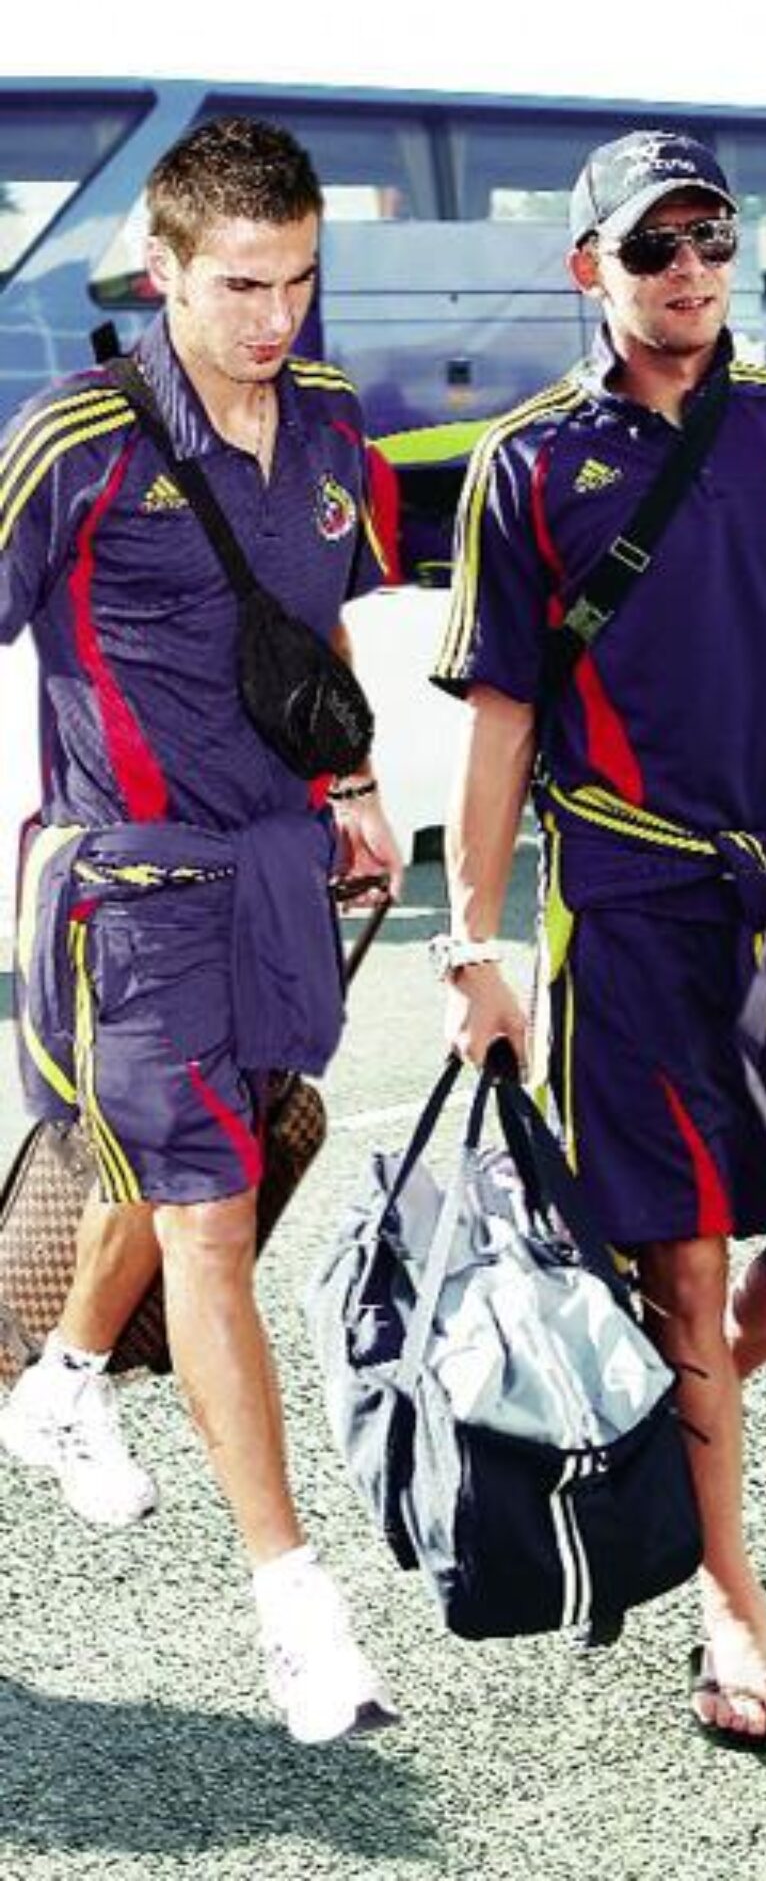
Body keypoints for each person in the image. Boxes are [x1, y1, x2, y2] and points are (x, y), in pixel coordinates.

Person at [433, 130, 766, 1748]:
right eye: (655, 246)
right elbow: (501, 729)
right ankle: (730, 1604)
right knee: (689, 1262)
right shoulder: (525, 465)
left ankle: (674, 1408)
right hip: (629, 909)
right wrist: (471, 946)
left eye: (711, 237)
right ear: (593, 269)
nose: (692, 269)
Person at [0, 117, 403, 1743]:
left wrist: (357, 783)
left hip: (281, 874)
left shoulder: (333, 423)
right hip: (130, 890)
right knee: (213, 1219)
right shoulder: (71, 441)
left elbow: (322, 627)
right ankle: (301, 1618)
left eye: (298, 280)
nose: (274, 317)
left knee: (201, 1163)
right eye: (241, 284)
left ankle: (57, 1382)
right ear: (160, 269)